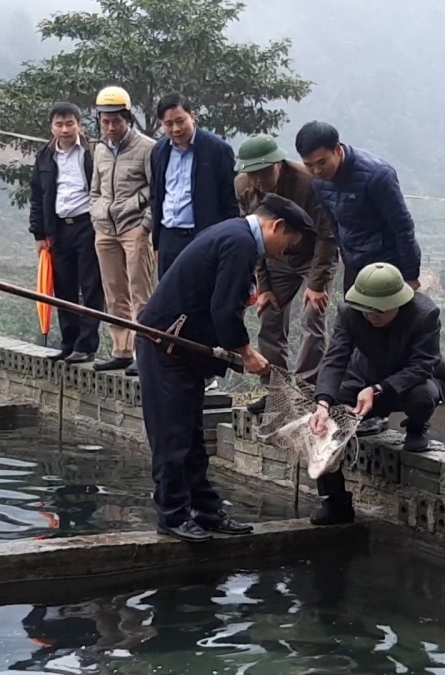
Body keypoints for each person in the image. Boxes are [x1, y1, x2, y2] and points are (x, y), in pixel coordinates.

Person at [137, 194, 315, 542]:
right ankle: (172, 515)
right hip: (163, 346)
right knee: (172, 437)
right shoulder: (238, 244)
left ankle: (205, 511)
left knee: (192, 437)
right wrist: (247, 353)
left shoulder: (233, 235)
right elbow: (224, 309)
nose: (283, 253)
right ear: (276, 226)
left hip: (183, 351)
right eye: (287, 243)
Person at [295, 121, 422, 436]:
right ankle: (355, 407)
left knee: (389, 337)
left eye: (322, 163)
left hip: (387, 269)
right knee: (356, 337)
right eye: (309, 166)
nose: (317, 171)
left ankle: (393, 408)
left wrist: (411, 276)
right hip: (355, 267)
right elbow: (335, 226)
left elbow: (402, 226)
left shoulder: (376, 175)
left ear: (338, 150)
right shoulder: (319, 184)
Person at [307, 263, 445, 526]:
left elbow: (423, 364)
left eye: (378, 312)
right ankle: (335, 500)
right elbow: (335, 358)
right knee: (324, 425)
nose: (371, 317)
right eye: (366, 311)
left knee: (422, 396)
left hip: (410, 381)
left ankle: (418, 427)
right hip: (363, 376)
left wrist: (378, 389)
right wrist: (323, 403)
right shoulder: (350, 314)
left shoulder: (424, 314)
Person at [234, 134, 339, 414]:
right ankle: (276, 393)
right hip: (274, 258)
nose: (259, 180)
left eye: (265, 172)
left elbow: (327, 236)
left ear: (278, 164)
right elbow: (252, 237)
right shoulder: (243, 187)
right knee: (269, 315)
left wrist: (317, 284)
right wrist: (264, 286)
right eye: (252, 174)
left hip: (311, 255)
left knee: (312, 315)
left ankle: (306, 392)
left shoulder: (308, 182)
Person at [28, 102, 105, 364]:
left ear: (79, 125)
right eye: (59, 124)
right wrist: (39, 234)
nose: (64, 129)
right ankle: (68, 343)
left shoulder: (93, 153)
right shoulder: (45, 156)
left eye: (69, 124)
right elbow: (37, 197)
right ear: (51, 127)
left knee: (91, 286)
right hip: (58, 229)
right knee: (63, 288)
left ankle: (87, 345)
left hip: (88, 226)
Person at [88, 86, 157, 376]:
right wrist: (96, 214)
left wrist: (145, 226)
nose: (111, 126)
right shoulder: (100, 149)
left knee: (142, 293)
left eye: (116, 120)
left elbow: (157, 191)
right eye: (105, 121)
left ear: (127, 118)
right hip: (105, 230)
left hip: (134, 228)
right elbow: (95, 189)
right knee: (114, 292)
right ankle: (121, 350)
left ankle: (146, 354)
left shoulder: (147, 148)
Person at [150, 92, 240, 278]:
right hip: (169, 237)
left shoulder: (217, 150)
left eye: (180, 121)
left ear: (193, 116)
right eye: (168, 124)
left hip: (202, 236)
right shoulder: (159, 151)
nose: (176, 129)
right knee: (169, 298)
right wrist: (157, 241)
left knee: (200, 295)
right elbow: (156, 195)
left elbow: (230, 201)